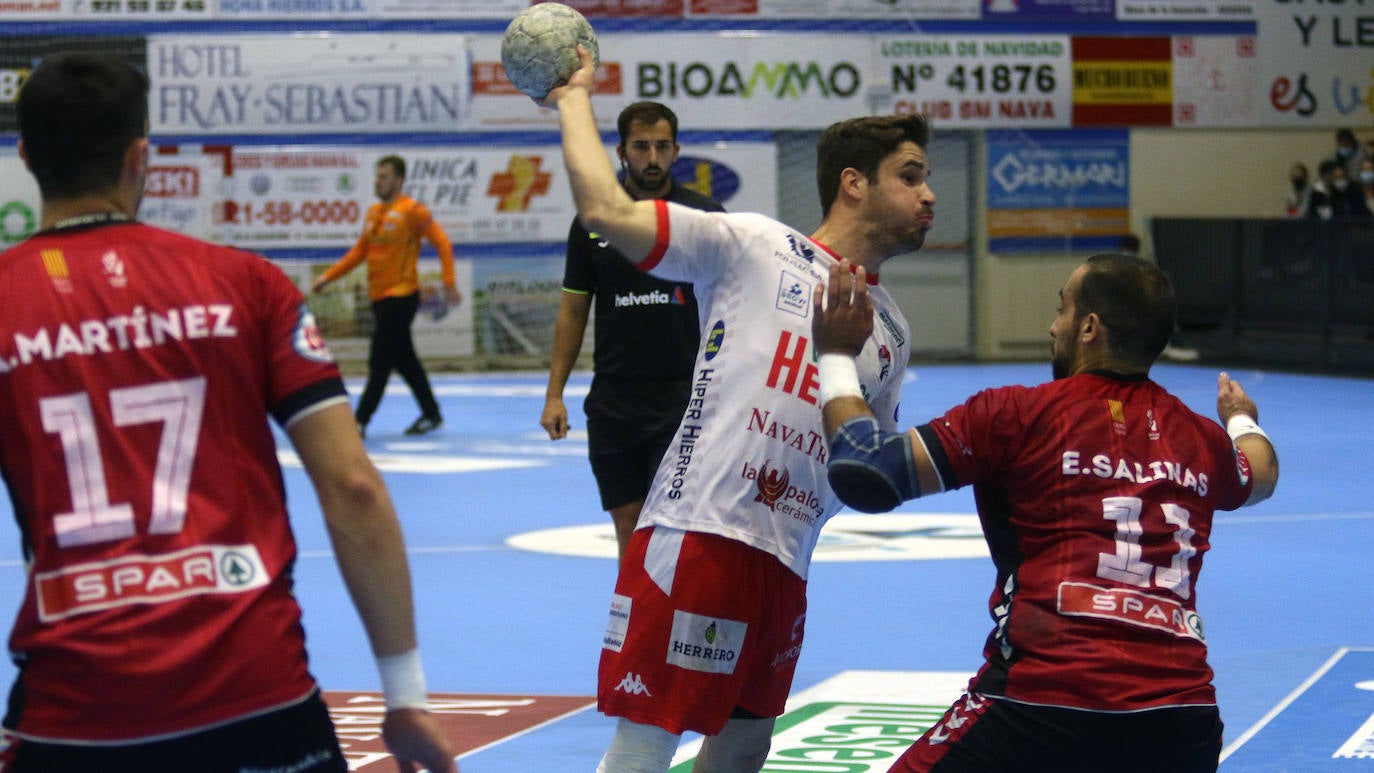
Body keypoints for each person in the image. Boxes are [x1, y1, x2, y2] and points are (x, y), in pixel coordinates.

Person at [0, 52, 457, 772]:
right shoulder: (246, 285)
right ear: (139, 156)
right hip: (258, 693)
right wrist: (404, 696)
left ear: (25, 155)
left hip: (77, 711)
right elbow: (353, 486)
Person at [540, 47, 936, 771]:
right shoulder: (751, 244)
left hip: (787, 559)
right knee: (647, 736)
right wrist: (573, 98)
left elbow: (863, 461)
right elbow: (605, 210)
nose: (929, 194)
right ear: (853, 184)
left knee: (747, 746)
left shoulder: (894, 330)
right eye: (910, 177)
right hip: (698, 534)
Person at [811, 253, 1280, 773]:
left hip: (1040, 705)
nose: (1052, 326)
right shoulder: (1201, 438)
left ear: (1089, 328)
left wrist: (833, 353)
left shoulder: (1016, 415)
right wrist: (1240, 419)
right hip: (1182, 721)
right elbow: (1259, 475)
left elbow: (870, 469)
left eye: (1062, 309)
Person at [540, 101, 725, 563]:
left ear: (676, 150)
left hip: (685, 396)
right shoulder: (593, 224)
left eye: (662, 146)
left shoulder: (705, 217)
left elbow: (732, 302)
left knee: (673, 526)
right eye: (641, 147)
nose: (653, 157)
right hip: (615, 400)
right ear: (622, 152)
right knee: (629, 526)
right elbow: (573, 309)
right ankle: (636, 624)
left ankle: (670, 624)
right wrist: (554, 393)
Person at [311, 155, 461, 438]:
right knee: (405, 360)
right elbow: (359, 253)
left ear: (398, 180)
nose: (378, 181)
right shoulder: (374, 214)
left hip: (402, 296)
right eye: (378, 175)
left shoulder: (411, 211)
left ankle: (360, 421)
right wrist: (327, 278)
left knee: (379, 359)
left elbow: (442, 242)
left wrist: (449, 283)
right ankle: (431, 414)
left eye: (384, 176)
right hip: (379, 298)